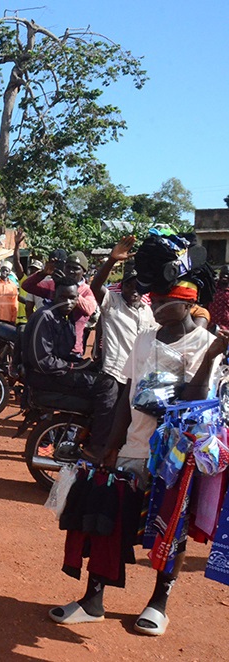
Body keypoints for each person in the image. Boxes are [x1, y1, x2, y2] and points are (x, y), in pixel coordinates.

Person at [50, 237, 227, 637]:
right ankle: (93, 600)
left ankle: (158, 604)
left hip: (175, 459)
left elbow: (197, 401)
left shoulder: (203, 344)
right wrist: (109, 447)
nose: (156, 308)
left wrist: (213, 356)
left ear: (185, 302)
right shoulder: (145, 339)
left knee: (170, 531)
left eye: (163, 302)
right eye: (154, 300)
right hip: (132, 446)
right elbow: (127, 398)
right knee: (107, 520)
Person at [22, 277, 121, 459]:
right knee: (107, 386)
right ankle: (98, 447)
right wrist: (73, 367)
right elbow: (43, 360)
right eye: (63, 297)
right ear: (54, 295)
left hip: (55, 372)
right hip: (44, 376)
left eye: (73, 298)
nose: (68, 302)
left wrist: (88, 365)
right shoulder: (46, 316)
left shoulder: (63, 318)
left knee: (103, 374)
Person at [86, 235, 156, 456]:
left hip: (136, 378)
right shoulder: (112, 303)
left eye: (138, 287)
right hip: (113, 374)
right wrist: (111, 261)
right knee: (106, 418)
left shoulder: (148, 312)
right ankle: (94, 455)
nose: (133, 291)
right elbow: (95, 286)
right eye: (129, 285)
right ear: (122, 286)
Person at [22, 250, 98, 356]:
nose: (71, 271)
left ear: (84, 271)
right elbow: (27, 286)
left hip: (73, 350)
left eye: (76, 268)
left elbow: (89, 309)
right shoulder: (53, 285)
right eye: (68, 267)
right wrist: (43, 273)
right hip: (49, 346)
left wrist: (70, 290)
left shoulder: (87, 291)